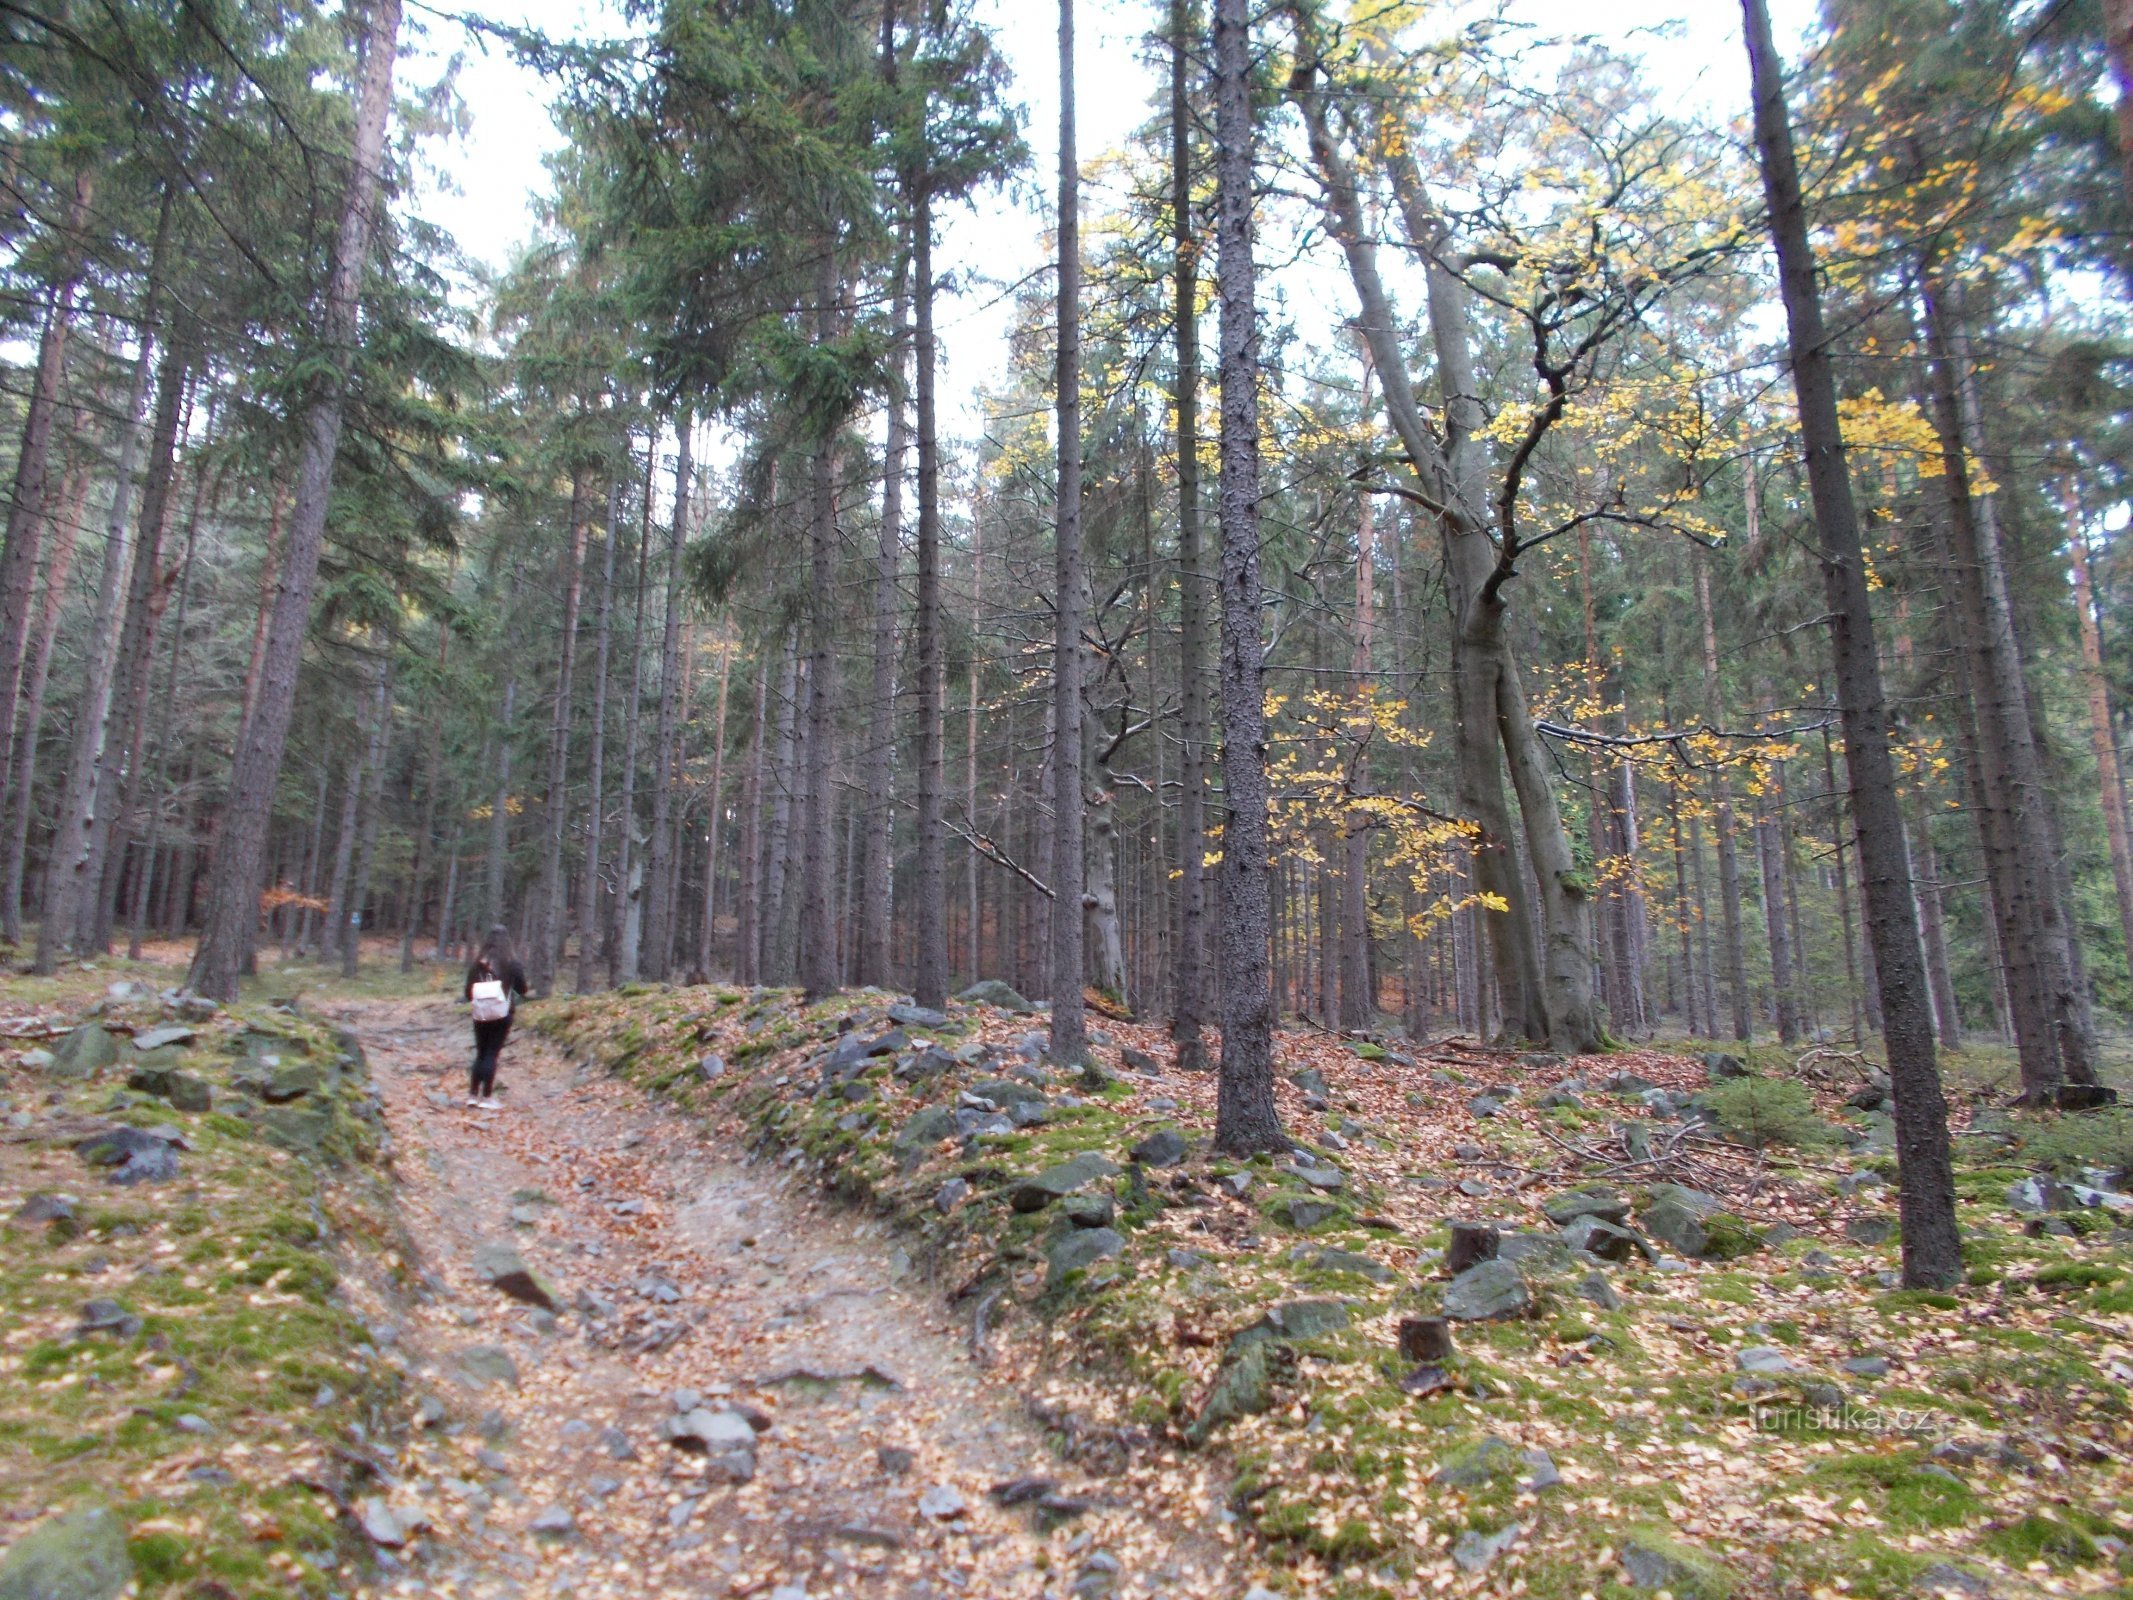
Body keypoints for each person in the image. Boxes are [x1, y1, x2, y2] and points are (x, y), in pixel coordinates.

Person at [463, 925, 529, 1109]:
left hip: (480, 1013)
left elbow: (468, 992)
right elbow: (522, 989)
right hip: (503, 1013)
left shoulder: (478, 963)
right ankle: (487, 1097)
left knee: (481, 1053)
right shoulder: (512, 962)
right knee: (492, 1053)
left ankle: (472, 1095)